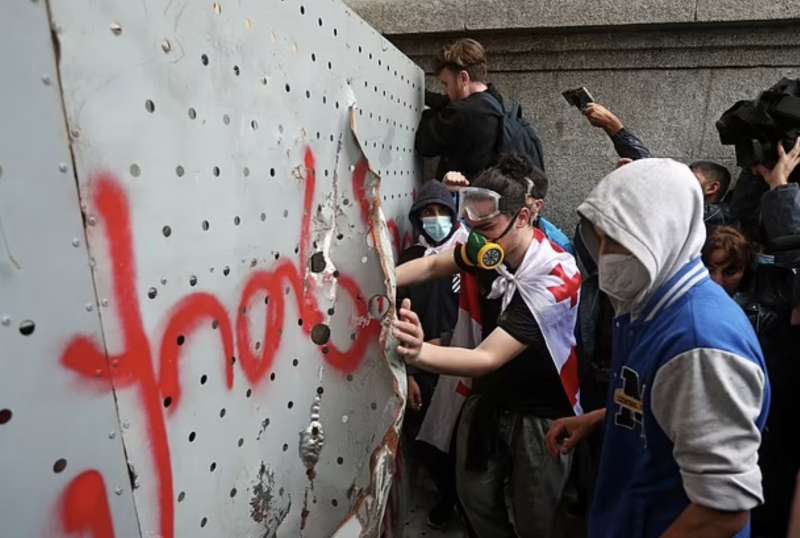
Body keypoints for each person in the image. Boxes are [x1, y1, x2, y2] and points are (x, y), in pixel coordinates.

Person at [546, 158, 770, 537]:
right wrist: (603, 416)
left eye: (618, 239)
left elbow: (723, 511)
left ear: (663, 233)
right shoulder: (652, 307)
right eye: (599, 237)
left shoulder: (701, 344)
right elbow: (668, 402)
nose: (604, 253)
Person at [393, 161, 583, 537]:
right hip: (490, 397)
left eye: (489, 229)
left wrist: (416, 354)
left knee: (536, 516)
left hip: (540, 410)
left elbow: (486, 357)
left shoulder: (555, 274)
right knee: (474, 496)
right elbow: (432, 268)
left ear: (525, 216)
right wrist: (379, 285)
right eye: (473, 229)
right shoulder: (486, 247)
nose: (478, 241)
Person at [395, 179, 462, 530]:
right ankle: (446, 495)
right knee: (426, 442)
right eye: (427, 214)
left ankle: (460, 500)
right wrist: (410, 373)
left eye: (441, 212)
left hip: (460, 361)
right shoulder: (409, 260)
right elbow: (396, 315)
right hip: (422, 365)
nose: (435, 219)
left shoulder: (466, 254)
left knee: (460, 441)